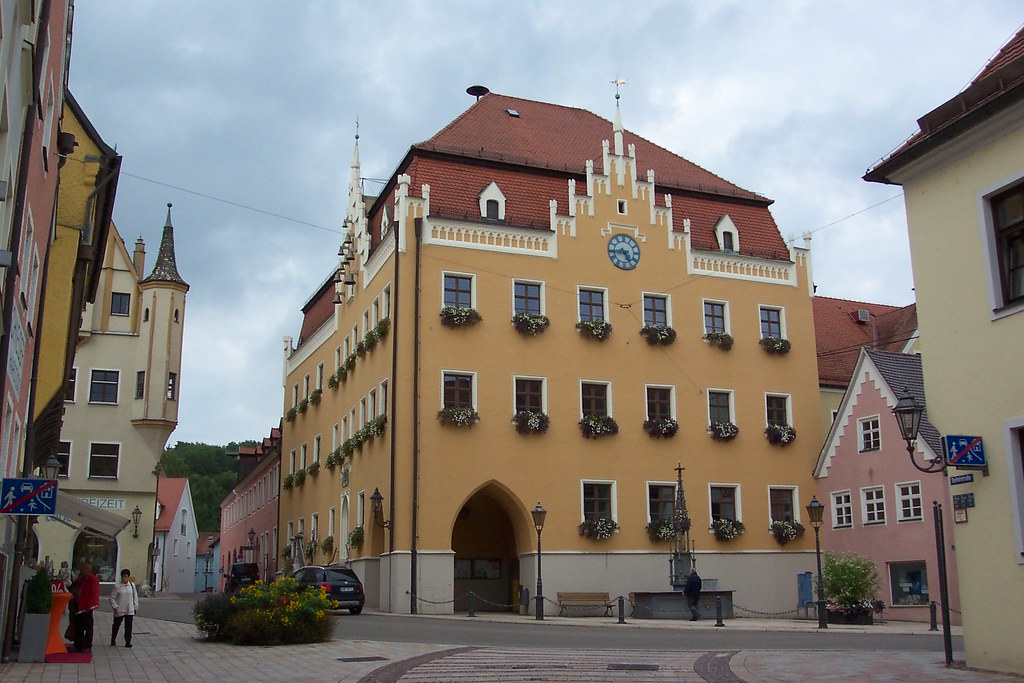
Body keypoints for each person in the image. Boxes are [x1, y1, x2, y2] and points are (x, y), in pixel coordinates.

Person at [71, 561, 100, 652]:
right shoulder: (82, 579)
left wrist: (90, 606)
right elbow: (76, 589)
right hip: (79, 605)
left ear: (87, 570)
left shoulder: (93, 579)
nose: (81, 572)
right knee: (78, 627)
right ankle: (78, 645)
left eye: (82, 570)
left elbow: (94, 593)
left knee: (88, 627)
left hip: (87, 607)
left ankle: (87, 646)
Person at [110, 569, 139, 648]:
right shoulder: (117, 586)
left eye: (126, 576)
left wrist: (135, 606)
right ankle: (113, 639)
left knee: (129, 626)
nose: (124, 578)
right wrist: (115, 606)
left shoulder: (132, 585)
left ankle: (128, 641)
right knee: (116, 625)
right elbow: (112, 598)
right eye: (123, 576)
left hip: (129, 609)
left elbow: (135, 596)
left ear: (128, 577)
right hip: (120, 609)